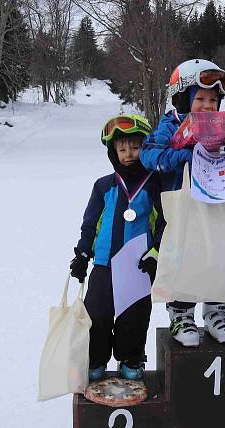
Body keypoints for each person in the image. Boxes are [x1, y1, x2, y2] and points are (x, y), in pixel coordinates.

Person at [140, 58, 225, 347]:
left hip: (215, 203)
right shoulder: (169, 126)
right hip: (182, 204)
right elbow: (150, 155)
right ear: (183, 97)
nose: (208, 105)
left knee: (219, 255)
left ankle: (216, 309)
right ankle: (181, 312)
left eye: (213, 99)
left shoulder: (221, 127)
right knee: (186, 256)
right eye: (201, 98)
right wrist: (182, 155)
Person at [69, 114, 166, 381]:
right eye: (121, 149)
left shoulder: (155, 184)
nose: (128, 154)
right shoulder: (103, 186)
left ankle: (131, 357)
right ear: (113, 152)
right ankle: (96, 359)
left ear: (144, 147)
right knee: (97, 316)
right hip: (103, 264)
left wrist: (155, 253)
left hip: (138, 265)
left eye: (134, 147)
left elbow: (165, 224)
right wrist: (82, 253)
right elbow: (90, 224)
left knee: (133, 317)